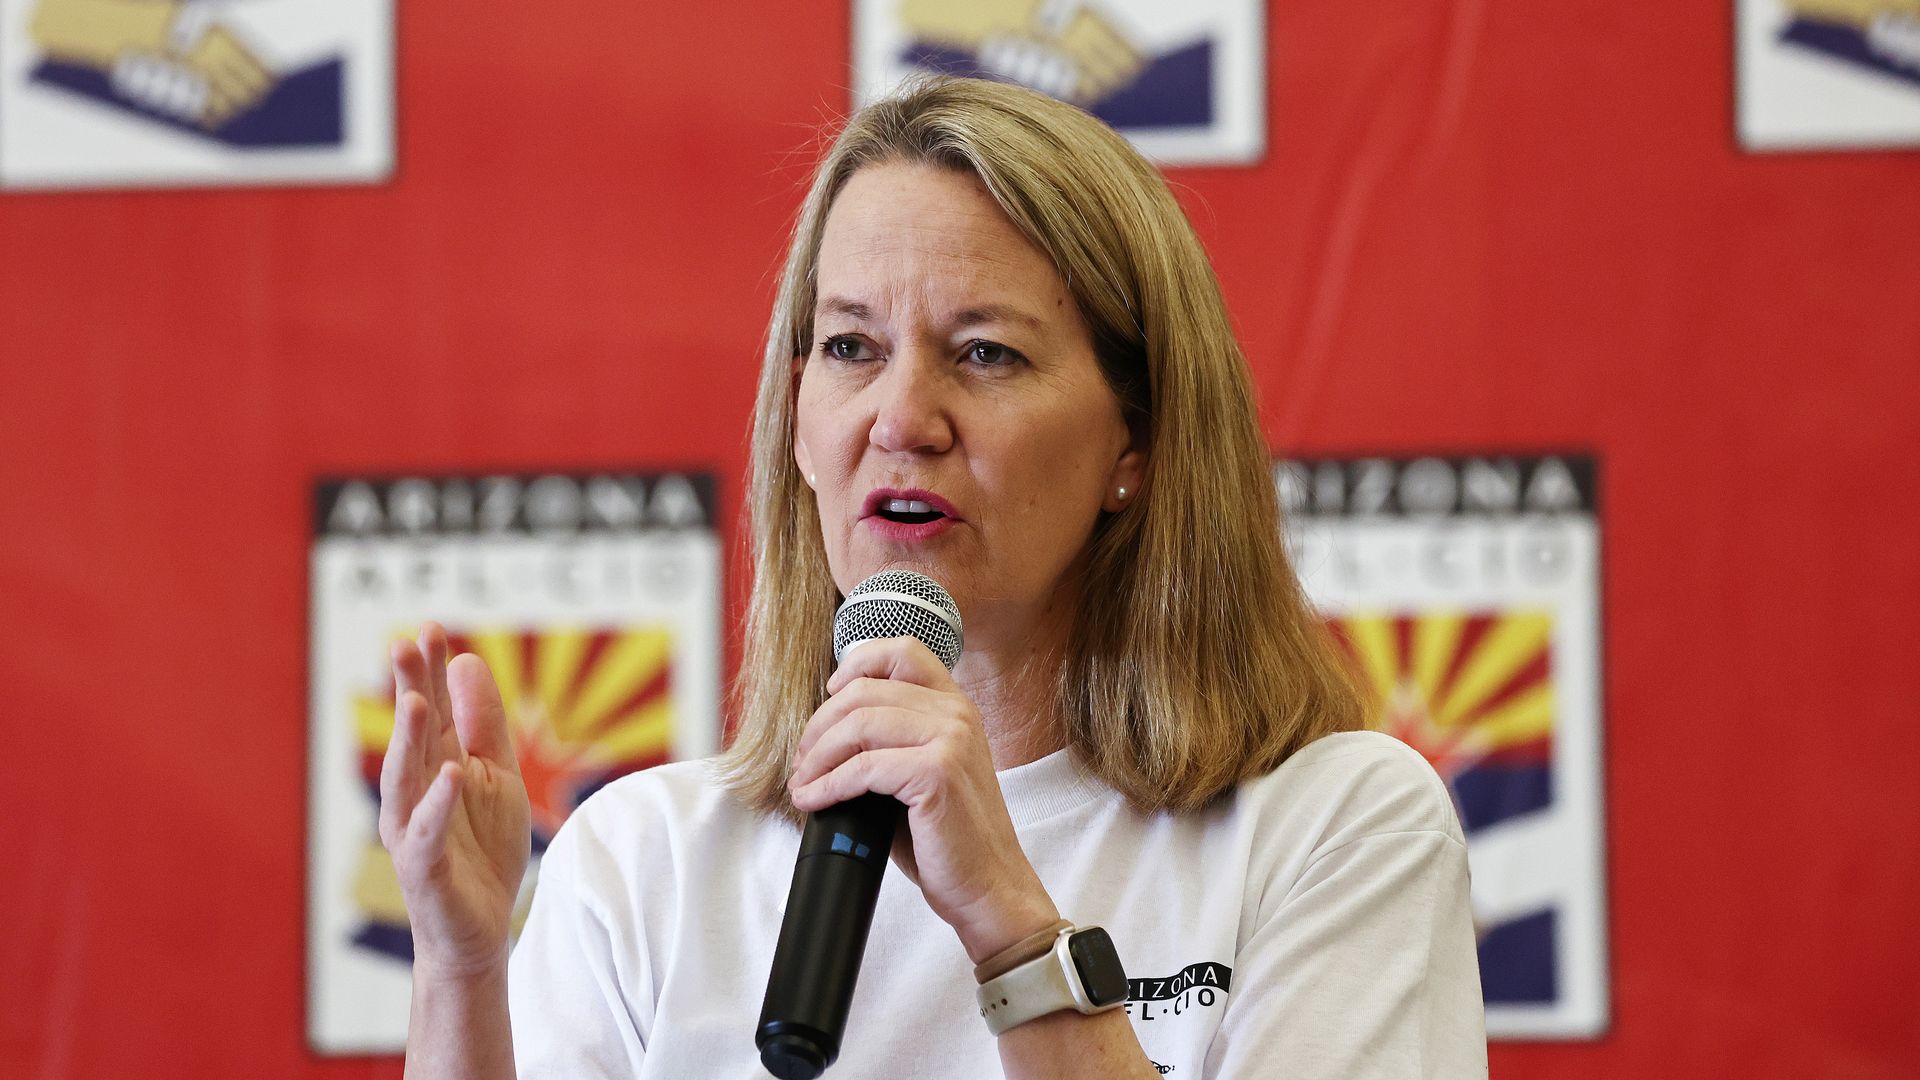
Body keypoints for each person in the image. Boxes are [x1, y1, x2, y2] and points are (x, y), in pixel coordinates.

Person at [379, 75, 1487, 1079]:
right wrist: (461, 972)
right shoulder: (641, 858)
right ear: (797, 421)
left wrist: (1011, 924)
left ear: (1137, 442)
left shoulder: (1336, 825)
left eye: (986, 353)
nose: (902, 419)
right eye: (852, 347)